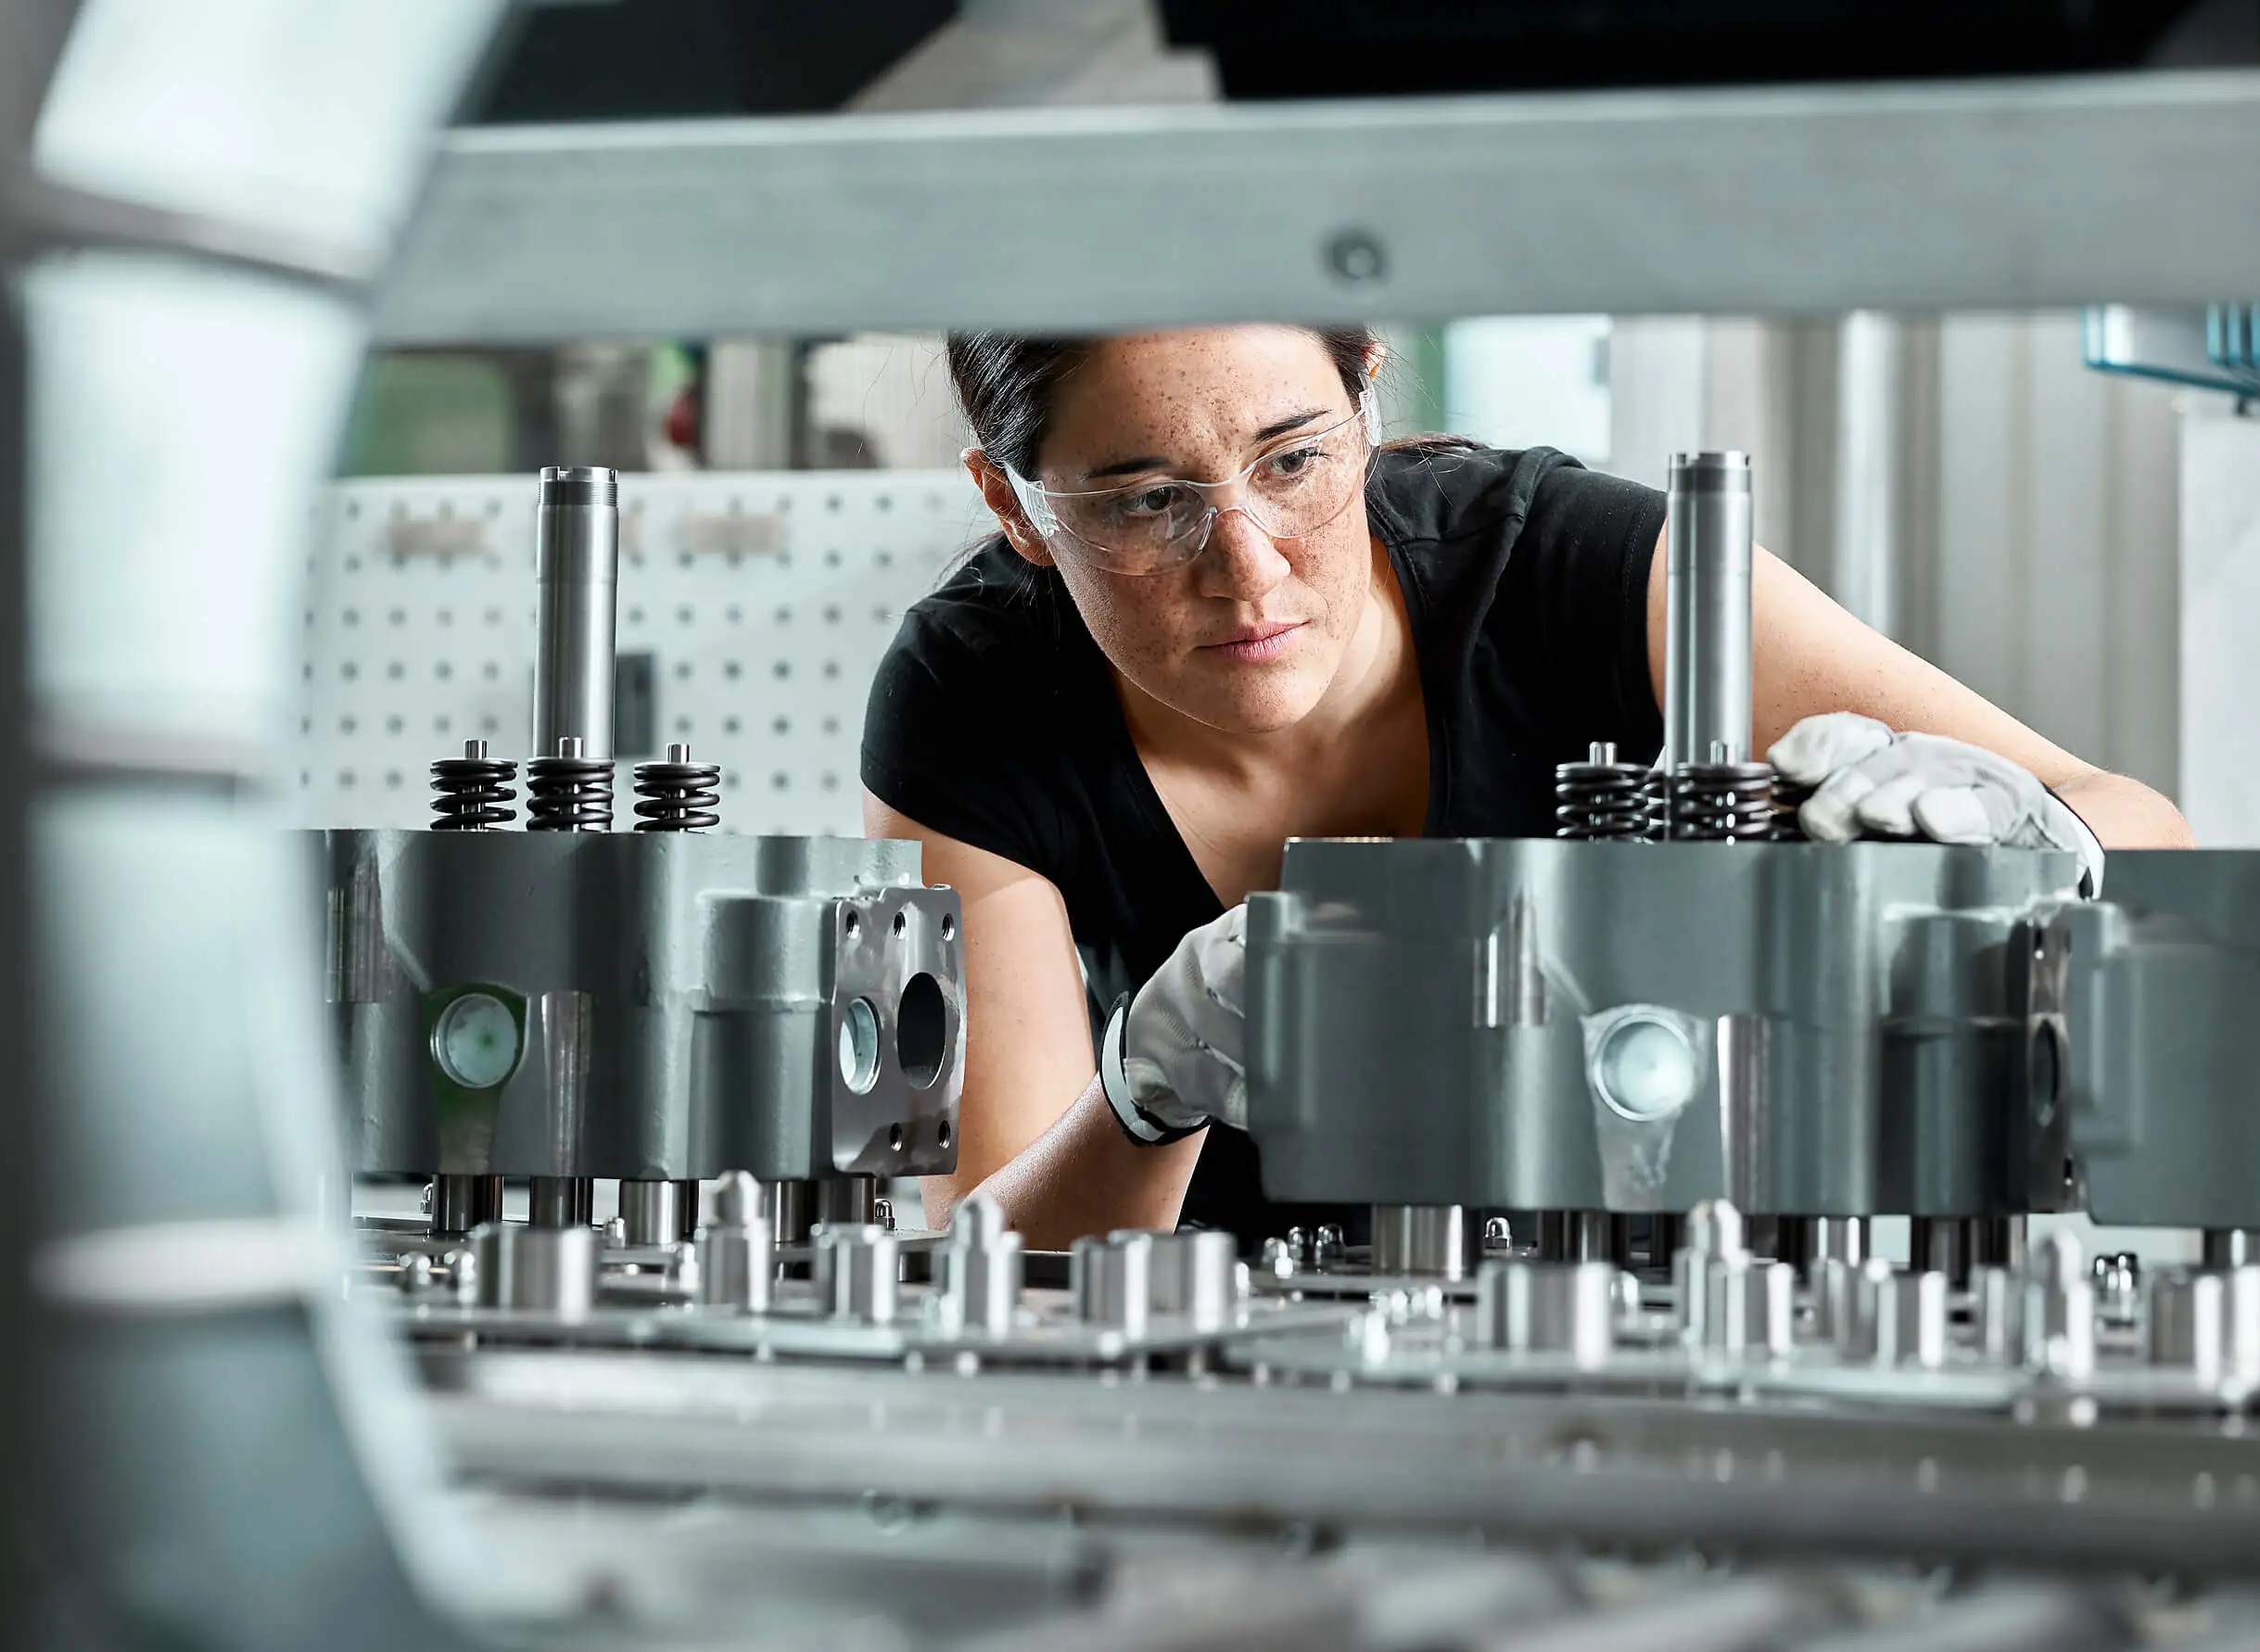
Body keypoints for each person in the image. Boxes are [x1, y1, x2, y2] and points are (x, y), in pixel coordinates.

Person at [861, 324, 2190, 1250]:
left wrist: (2029, 839)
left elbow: (2142, 836)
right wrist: (1146, 1095)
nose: (1248, 567)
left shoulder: (1576, 567)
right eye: (1150, 502)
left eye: (1296, 460)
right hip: (1250, 1408)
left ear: (1366, 400)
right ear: (1016, 507)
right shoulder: (972, 696)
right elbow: (999, 1260)